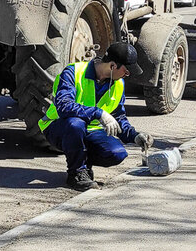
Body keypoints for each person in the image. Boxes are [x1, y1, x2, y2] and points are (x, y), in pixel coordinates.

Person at [39, 42, 154, 192]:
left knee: (117, 153)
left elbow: (118, 116)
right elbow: (64, 106)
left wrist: (135, 136)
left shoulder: (118, 85)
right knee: (76, 124)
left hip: (89, 130)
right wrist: (98, 113)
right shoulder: (73, 72)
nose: (128, 75)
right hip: (58, 127)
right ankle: (76, 174)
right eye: (126, 71)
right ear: (113, 66)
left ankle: (84, 165)